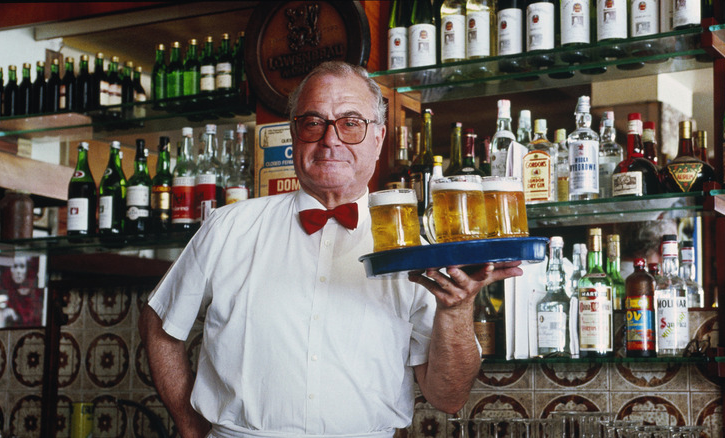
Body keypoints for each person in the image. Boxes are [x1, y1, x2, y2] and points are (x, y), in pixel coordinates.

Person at [139, 61, 523, 438]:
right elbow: (159, 323)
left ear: (379, 138)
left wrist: (455, 311)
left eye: (351, 123)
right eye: (313, 122)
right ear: (294, 134)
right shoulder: (228, 228)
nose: (331, 139)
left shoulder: (417, 253)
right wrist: (189, 426)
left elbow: (448, 397)